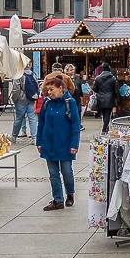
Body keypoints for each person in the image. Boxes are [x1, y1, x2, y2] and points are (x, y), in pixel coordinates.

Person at [37, 73, 81, 210]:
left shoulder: (70, 102)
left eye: (52, 90)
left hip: (65, 144)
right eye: (47, 90)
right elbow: (41, 123)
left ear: (61, 88)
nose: (49, 93)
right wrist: (39, 141)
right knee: (53, 173)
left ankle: (70, 193)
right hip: (48, 144)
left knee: (67, 172)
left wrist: (74, 144)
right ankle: (58, 200)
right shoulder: (47, 102)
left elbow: (75, 125)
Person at [8, 68, 40, 142]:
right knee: (32, 118)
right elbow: (37, 87)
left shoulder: (18, 75)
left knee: (18, 118)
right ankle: (34, 138)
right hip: (31, 98)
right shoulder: (33, 74)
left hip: (21, 100)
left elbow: (16, 89)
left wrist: (14, 99)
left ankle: (14, 136)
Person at [92, 63, 119, 133]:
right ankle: (104, 129)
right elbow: (116, 90)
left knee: (104, 114)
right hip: (110, 98)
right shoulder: (113, 78)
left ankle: (106, 128)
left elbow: (94, 89)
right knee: (108, 114)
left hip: (100, 98)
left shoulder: (98, 78)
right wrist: (116, 98)